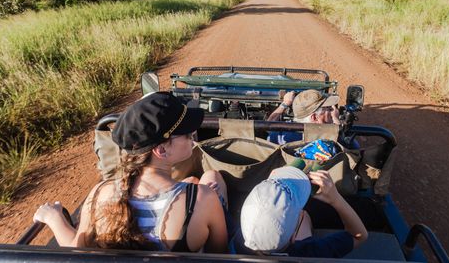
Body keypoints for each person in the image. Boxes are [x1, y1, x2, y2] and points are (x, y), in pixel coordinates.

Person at [33, 92, 228, 252]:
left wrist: (52, 217)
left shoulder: (101, 193)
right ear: (161, 150)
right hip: (195, 205)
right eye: (188, 133)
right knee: (211, 177)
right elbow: (220, 254)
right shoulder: (202, 199)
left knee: (194, 181)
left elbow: (77, 248)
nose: (193, 138)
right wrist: (205, 197)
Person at [238, 166, 367, 257]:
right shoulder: (310, 253)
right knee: (305, 215)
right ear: (294, 237)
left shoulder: (234, 246)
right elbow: (359, 235)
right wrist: (336, 199)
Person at [266, 89, 341, 145]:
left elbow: (268, 126)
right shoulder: (327, 137)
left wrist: (285, 104)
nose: (333, 111)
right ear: (314, 117)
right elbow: (342, 143)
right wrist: (336, 119)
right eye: (329, 108)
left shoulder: (280, 134)